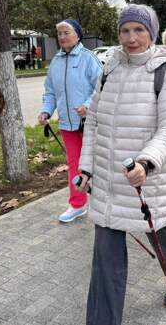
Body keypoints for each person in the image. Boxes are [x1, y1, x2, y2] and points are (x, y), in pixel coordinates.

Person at [76, 4, 166, 323]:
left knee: (165, 242)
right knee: (105, 264)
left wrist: (146, 162)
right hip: (109, 184)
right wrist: (86, 168)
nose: (131, 37)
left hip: (148, 181)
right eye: (125, 30)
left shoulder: (165, 71)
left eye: (139, 30)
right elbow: (94, 121)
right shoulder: (109, 69)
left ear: (152, 33)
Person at [38, 19, 102, 223]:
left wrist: (87, 105)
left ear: (77, 35)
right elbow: (50, 91)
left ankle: (104, 202)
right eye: (59, 33)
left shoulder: (88, 58)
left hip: (89, 123)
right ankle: (78, 204)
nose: (62, 37)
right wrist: (46, 111)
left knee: (98, 164)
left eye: (66, 32)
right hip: (67, 123)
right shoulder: (55, 62)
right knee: (75, 165)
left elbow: (101, 87)